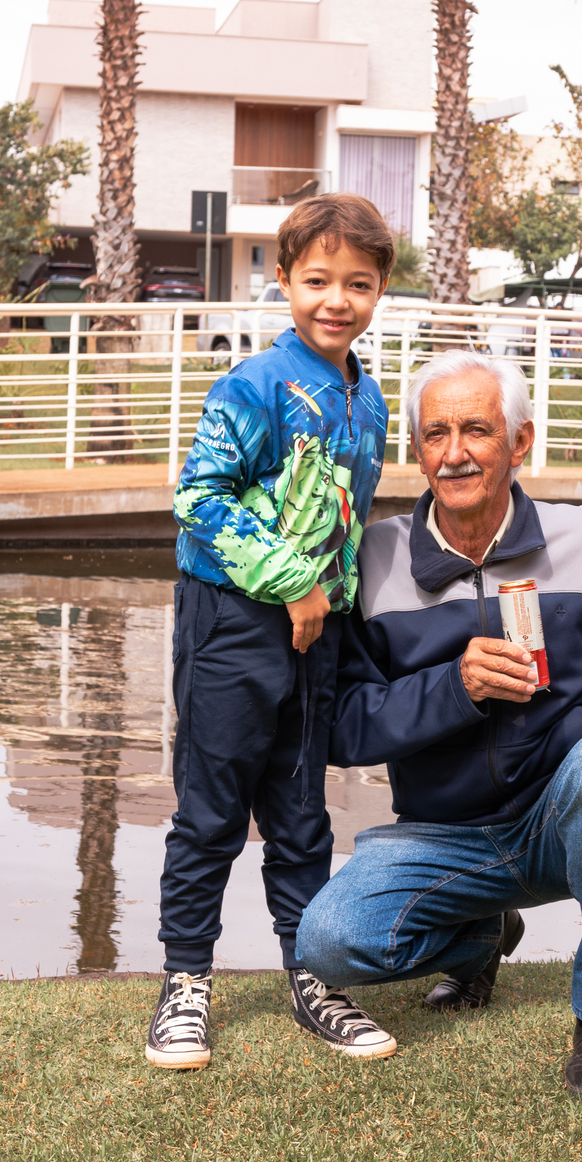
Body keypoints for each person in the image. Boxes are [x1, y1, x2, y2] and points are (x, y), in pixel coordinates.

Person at [294, 351, 582, 1104]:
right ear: (417, 451)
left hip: (561, 823)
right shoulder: (373, 561)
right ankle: (481, 935)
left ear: (520, 442)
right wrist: (453, 687)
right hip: (444, 838)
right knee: (326, 943)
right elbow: (341, 726)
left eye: (477, 430)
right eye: (436, 434)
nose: (454, 453)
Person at [146, 194, 400, 1069]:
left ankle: (312, 975)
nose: (337, 300)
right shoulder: (253, 385)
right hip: (234, 622)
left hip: (316, 634)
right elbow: (198, 498)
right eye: (318, 280)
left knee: (301, 815)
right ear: (284, 281)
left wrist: (340, 606)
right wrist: (292, 583)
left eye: (358, 284)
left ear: (380, 291)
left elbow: (347, 519)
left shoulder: (369, 398)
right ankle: (186, 983)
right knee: (211, 811)